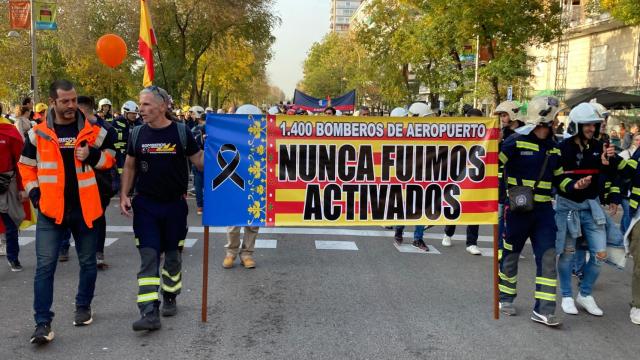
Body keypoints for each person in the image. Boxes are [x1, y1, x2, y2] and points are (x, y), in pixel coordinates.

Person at [19, 80, 116, 344]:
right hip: (51, 211)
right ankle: (42, 323)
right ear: (53, 102)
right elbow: (26, 166)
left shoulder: (93, 129)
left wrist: (94, 156)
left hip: (86, 210)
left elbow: (111, 158)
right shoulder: (37, 133)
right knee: (44, 268)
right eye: (66, 101)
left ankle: (83, 306)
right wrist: (35, 192)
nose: (72, 105)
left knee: (87, 263)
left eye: (74, 100)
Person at [120, 86, 204, 331]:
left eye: (146, 105)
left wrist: (220, 150)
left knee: (173, 258)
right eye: (140, 104)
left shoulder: (181, 132)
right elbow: (130, 166)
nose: (140, 109)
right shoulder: (136, 134)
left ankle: (170, 294)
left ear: (163, 106)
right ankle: (149, 311)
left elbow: (199, 162)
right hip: (146, 205)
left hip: (175, 206)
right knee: (149, 258)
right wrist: (125, 193)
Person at [498, 95, 576, 326]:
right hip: (517, 210)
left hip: (543, 212)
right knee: (511, 254)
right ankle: (505, 297)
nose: (555, 124)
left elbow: (561, 182)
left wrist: (574, 186)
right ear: (543, 121)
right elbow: (491, 165)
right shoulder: (514, 142)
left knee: (548, 257)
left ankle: (544, 310)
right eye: (553, 120)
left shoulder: (555, 149)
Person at [555, 102, 618, 317]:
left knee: (600, 254)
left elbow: (609, 174)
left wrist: (607, 163)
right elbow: (556, 179)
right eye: (588, 125)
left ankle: (585, 293)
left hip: (592, 207)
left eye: (595, 124)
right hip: (567, 207)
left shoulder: (601, 146)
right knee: (567, 255)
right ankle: (565, 296)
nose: (592, 128)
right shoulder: (562, 148)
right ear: (576, 125)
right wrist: (574, 185)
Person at [77, 96, 118, 269]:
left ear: (83, 110)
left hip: (99, 181)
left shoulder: (106, 130)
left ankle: (97, 253)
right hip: (76, 182)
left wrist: (91, 155)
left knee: (98, 217)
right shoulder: (71, 128)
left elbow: (110, 158)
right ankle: (75, 250)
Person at [223, 104, 263, 269]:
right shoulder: (228, 135)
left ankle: (247, 254)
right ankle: (231, 253)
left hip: (256, 181)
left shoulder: (263, 136)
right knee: (233, 221)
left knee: (252, 223)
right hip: (234, 181)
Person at [442, 108, 483, 254]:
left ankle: (472, 242)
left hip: (476, 175)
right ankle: (448, 233)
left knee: (475, 208)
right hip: (458, 174)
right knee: (454, 204)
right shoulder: (458, 132)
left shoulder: (484, 134)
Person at [0, 113, 26, 271]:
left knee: (11, 224)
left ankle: (13, 258)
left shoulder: (9, 131)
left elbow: (20, 162)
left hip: (7, 185)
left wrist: (22, 188)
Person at [112, 100, 142, 195]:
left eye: (135, 113)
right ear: (125, 112)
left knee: (135, 171)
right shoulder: (117, 122)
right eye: (131, 113)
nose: (134, 115)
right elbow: (113, 137)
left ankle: (133, 189)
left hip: (133, 152)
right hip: (119, 153)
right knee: (120, 171)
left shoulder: (138, 123)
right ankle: (120, 189)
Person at [191, 112, 206, 215]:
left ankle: (200, 206)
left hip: (196, 157)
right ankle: (208, 204)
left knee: (198, 184)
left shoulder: (194, 130)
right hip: (210, 158)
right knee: (209, 183)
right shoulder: (213, 128)